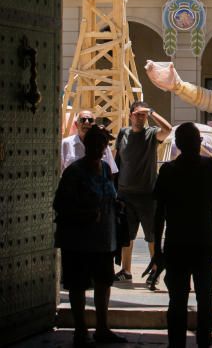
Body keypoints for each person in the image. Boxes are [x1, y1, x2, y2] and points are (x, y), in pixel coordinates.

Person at [151, 122, 212, 348]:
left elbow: (159, 214)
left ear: (177, 145)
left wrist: (157, 249)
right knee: (205, 297)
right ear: (199, 143)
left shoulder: (167, 171)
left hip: (176, 242)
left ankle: (176, 343)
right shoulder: (210, 167)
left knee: (177, 299)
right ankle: (204, 340)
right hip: (204, 241)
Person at [53, 125, 127, 347]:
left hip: (103, 240)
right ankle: (80, 330)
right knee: (78, 285)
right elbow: (60, 204)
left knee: (104, 283)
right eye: (93, 143)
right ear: (86, 145)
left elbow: (109, 194)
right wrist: (84, 213)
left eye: (101, 144)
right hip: (79, 240)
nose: (97, 148)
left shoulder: (105, 169)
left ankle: (102, 328)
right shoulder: (74, 172)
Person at [113, 100, 172, 284]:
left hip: (147, 194)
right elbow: (117, 161)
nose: (141, 117)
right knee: (126, 236)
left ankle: (155, 269)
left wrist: (152, 111)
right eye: (138, 114)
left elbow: (168, 129)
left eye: (143, 115)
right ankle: (126, 270)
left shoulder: (151, 134)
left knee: (152, 236)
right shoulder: (123, 133)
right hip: (125, 194)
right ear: (131, 115)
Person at [61, 110, 118, 174]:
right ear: (76, 124)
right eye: (83, 120)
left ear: (94, 125)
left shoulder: (102, 145)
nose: (87, 122)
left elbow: (112, 171)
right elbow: (58, 171)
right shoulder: (65, 144)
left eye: (90, 120)